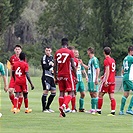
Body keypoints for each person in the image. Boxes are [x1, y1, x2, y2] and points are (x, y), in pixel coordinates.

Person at [54, 38, 77, 117]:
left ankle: (61, 113)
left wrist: (55, 77)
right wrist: (76, 76)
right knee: (71, 92)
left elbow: (55, 65)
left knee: (61, 92)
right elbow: (73, 66)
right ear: (67, 44)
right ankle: (63, 106)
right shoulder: (70, 52)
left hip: (60, 74)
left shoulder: (57, 52)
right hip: (68, 74)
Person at [97, 47, 116, 116]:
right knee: (112, 96)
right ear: (110, 53)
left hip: (107, 80)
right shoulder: (113, 60)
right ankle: (113, 111)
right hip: (113, 80)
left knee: (100, 94)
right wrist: (103, 75)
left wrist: (106, 80)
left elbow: (108, 70)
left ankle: (98, 111)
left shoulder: (106, 60)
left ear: (104, 52)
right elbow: (111, 71)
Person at [81, 47, 100, 114]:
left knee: (94, 93)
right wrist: (82, 64)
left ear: (89, 51)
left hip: (93, 79)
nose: (87, 52)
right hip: (90, 79)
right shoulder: (90, 60)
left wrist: (96, 78)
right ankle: (92, 109)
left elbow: (97, 69)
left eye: (87, 51)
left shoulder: (94, 59)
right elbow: (88, 68)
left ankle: (97, 109)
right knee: (91, 93)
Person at [8, 45, 23, 111]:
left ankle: (18, 108)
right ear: (14, 50)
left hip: (20, 78)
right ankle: (14, 105)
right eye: (16, 49)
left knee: (20, 93)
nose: (17, 50)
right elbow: (11, 68)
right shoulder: (12, 58)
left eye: (18, 49)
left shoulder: (23, 57)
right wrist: (11, 77)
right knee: (10, 91)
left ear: (21, 50)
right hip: (14, 78)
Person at [41, 46, 56, 113]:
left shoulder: (52, 58)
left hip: (51, 77)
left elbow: (55, 67)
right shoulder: (44, 58)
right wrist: (51, 65)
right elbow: (45, 67)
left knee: (53, 92)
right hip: (46, 76)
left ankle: (48, 107)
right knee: (46, 91)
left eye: (49, 50)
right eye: (46, 50)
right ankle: (44, 109)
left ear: (51, 51)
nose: (47, 52)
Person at [119, 46, 133, 115]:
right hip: (128, 78)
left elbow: (123, 69)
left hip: (125, 76)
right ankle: (129, 109)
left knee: (126, 94)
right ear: (131, 51)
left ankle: (121, 110)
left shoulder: (125, 58)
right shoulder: (131, 58)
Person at [65, 46, 78, 113]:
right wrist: (76, 77)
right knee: (72, 92)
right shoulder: (74, 60)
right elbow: (74, 68)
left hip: (64, 76)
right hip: (71, 77)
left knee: (65, 92)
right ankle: (72, 108)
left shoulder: (64, 58)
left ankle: (67, 107)